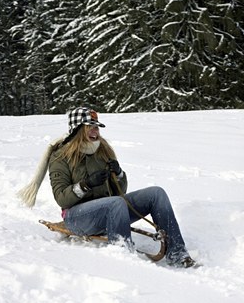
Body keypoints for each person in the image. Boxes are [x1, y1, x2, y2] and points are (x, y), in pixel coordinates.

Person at [47, 106, 196, 268]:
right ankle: (125, 259)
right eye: (89, 127)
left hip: (111, 211)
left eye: (96, 126)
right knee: (116, 203)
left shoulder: (102, 150)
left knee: (156, 193)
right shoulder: (60, 157)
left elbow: (120, 192)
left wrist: (118, 174)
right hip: (77, 218)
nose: (95, 131)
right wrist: (86, 185)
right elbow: (61, 198)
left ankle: (178, 254)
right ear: (77, 130)